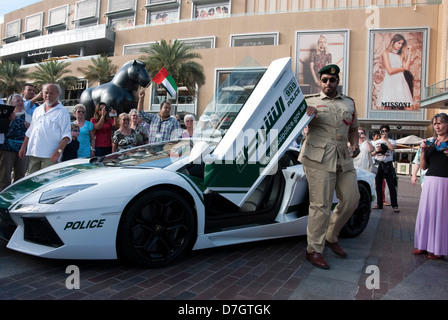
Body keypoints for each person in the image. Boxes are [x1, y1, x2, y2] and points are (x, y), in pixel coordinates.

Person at [298, 64, 360, 269]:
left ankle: (331, 236)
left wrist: (355, 144)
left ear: (337, 81)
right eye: (324, 80)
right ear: (319, 81)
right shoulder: (309, 102)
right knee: (321, 205)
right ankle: (314, 249)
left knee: (352, 198)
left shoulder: (349, 102)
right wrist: (306, 117)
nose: (328, 83)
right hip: (318, 156)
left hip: (343, 155)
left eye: (332, 80)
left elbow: (353, 129)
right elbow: (296, 127)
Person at [413, 113, 448, 260]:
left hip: (445, 181)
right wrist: (423, 151)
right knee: (426, 213)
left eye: (440, 123)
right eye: (435, 124)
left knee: (441, 216)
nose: (437, 126)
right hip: (430, 181)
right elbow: (423, 166)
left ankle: (438, 249)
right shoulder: (431, 142)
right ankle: (423, 245)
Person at [18, 83, 71, 174]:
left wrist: (58, 152)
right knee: (32, 181)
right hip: (33, 153)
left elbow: (66, 136)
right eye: (46, 93)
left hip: (50, 156)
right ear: (42, 93)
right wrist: (23, 147)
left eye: (52, 93)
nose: (48, 95)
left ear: (57, 94)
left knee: (47, 183)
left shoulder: (63, 112)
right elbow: (30, 130)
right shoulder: (38, 110)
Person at [0, 94, 30, 191]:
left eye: (22, 101)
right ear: (11, 103)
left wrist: (30, 127)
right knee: (5, 174)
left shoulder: (28, 117)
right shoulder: (5, 116)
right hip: (7, 148)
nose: (20, 103)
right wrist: (10, 121)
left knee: (21, 174)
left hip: (23, 148)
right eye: (17, 101)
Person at [377, 34, 414, 110]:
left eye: (402, 44)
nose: (400, 45)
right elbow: (390, 71)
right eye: (399, 43)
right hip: (390, 83)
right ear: (393, 42)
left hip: (400, 82)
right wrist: (402, 68)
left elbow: (406, 67)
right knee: (387, 106)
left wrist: (410, 52)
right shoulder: (386, 53)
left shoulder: (400, 55)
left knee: (406, 106)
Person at [371, 124, 399, 212]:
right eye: (382, 131)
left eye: (386, 131)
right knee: (378, 186)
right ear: (380, 132)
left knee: (391, 185)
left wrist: (386, 140)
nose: (384, 132)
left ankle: (394, 205)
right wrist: (377, 151)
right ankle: (379, 204)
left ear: (388, 132)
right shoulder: (375, 142)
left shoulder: (392, 141)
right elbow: (371, 154)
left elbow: (391, 149)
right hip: (378, 164)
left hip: (388, 164)